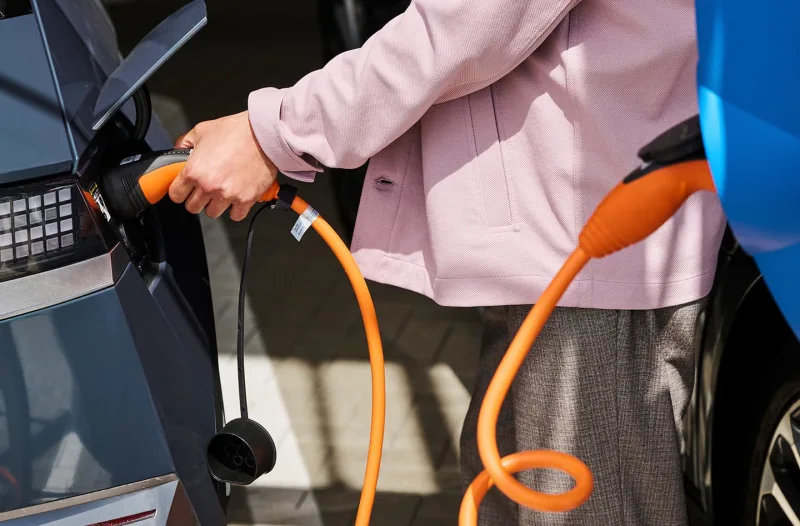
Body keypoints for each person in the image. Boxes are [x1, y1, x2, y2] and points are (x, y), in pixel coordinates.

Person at [168, 0, 726, 523]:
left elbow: (464, 22)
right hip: (562, 253)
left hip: (592, 265)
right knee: (505, 494)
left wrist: (275, 133)